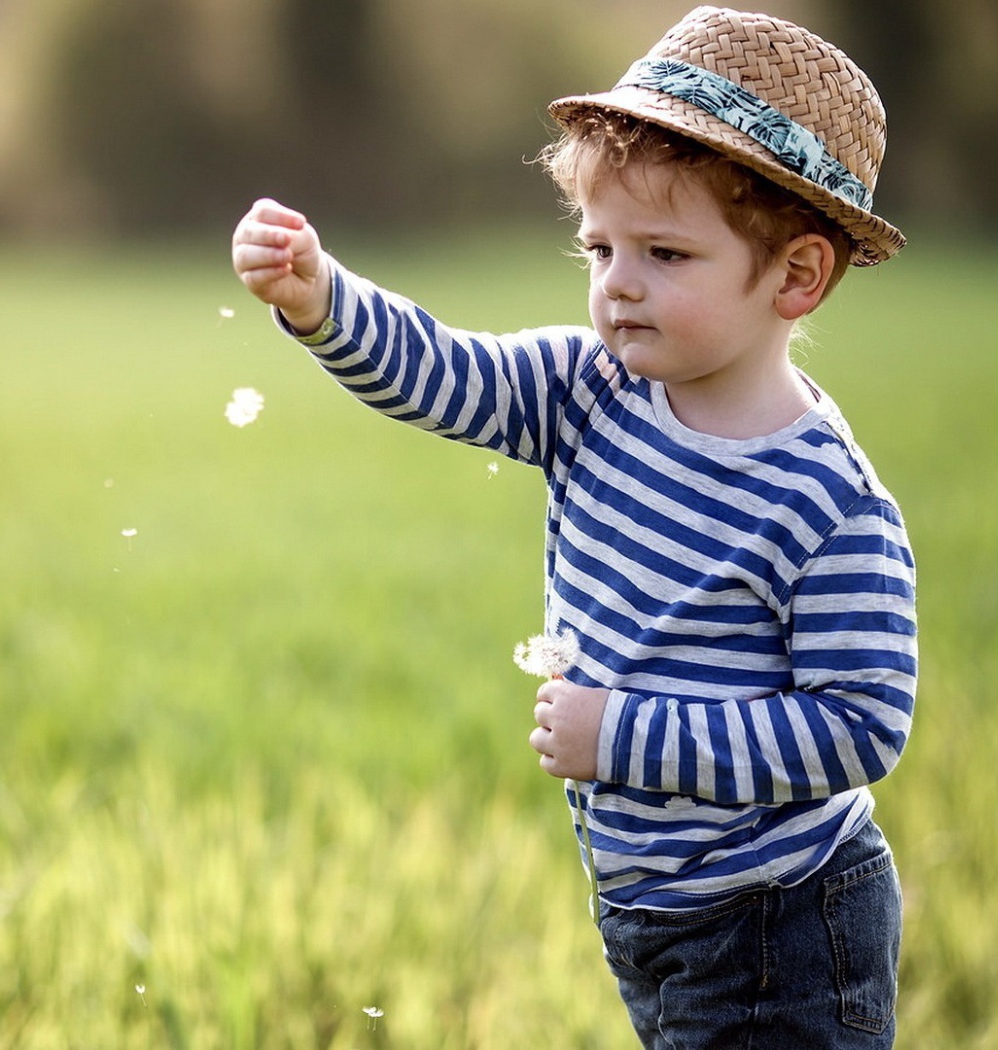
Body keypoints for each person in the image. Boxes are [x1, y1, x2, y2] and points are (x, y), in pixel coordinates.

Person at [231, 6, 917, 1048]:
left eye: (664, 253)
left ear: (793, 274)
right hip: (650, 910)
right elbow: (447, 374)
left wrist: (620, 736)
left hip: (777, 924)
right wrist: (322, 301)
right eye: (598, 247)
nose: (616, 286)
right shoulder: (587, 390)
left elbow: (859, 722)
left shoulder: (823, 502)